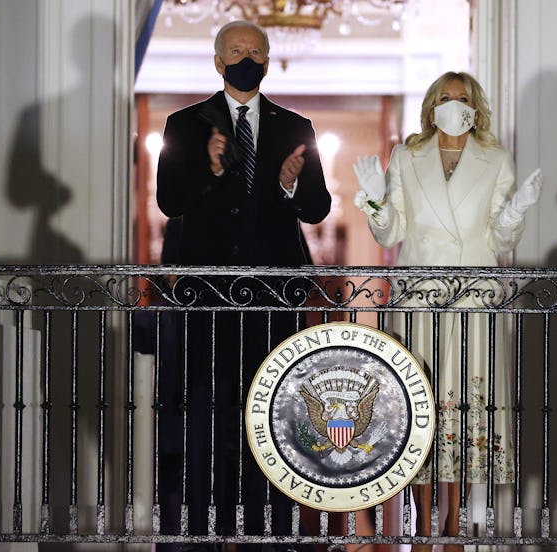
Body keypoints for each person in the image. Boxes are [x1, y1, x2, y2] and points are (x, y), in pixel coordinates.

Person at [156, 20, 331, 552]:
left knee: (269, 415)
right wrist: (209, 171)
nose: (246, 57)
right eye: (236, 50)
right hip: (204, 301)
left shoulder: (295, 125)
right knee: (203, 414)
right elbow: (169, 201)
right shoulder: (185, 125)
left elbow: (317, 207)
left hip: (274, 301)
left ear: (269, 59)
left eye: (255, 50)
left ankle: (267, 531)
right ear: (218, 61)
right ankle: (198, 530)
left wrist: (291, 185)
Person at [352, 71, 541, 551]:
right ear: (430, 106)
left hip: (473, 300)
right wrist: (375, 196)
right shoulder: (407, 156)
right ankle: (420, 524)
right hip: (419, 300)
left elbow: (499, 237)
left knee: (465, 410)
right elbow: (390, 233)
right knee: (420, 410)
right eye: (443, 98)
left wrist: (517, 210)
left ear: (475, 106)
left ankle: (453, 528)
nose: (452, 104)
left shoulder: (495, 159)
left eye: (460, 97)